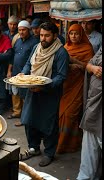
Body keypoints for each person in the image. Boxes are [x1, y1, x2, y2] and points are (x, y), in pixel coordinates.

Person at [18, 22, 69, 167]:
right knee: (29, 120)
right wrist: (24, 73)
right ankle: (33, 148)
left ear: (54, 35)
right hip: (32, 90)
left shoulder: (61, 53)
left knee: (49, 124)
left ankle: (49, 153)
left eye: (47, 36)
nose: (43, 38)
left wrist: (44, 86)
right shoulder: (36, 47)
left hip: (49, 94)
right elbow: (29, 63)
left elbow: (61, 76)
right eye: (41, 35)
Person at [57, 24, 95, 154]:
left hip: (79, 85)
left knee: (70, 114)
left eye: (76, 34)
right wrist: (69, 65)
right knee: (60, 113)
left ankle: (69, 145)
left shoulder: (87, 48)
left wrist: (76, 63)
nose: (73, 36)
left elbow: (90, 67)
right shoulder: (65, 47)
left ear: (81, 35)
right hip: (65, 85)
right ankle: (60, 142)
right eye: (71, 33)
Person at [7, 20, 39, 125]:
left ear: (28, 30)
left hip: (27, 72)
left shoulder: (34, 42)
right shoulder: (17, 41)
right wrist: (9, 70)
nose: (21, 32)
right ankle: (17, 112)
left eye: (23, 30)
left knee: (25, 95)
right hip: (16, 70)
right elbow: (12, 57)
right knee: (15, 93)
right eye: (19, 30)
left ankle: (25, 118)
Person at [77, 47, 102, 180]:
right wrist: (93, 68)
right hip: (93, 105)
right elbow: (89, 64)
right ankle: (85, 177)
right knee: (89, 147)